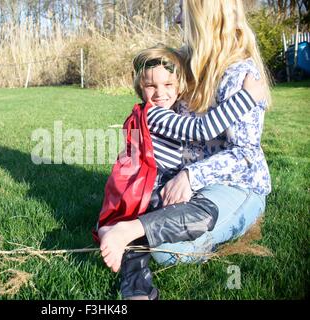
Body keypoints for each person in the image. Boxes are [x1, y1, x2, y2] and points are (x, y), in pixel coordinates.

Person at [97, 0, 271, 300]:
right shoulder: (182, 70)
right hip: (178, 181)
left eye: (182, 10)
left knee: (166, 250)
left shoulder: (239, 75)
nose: (176, 18)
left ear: (202, 18)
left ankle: (128, 230)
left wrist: (191, 175)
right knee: (152, 223)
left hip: (236, 183)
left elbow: (244, 153)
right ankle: (135, 284)